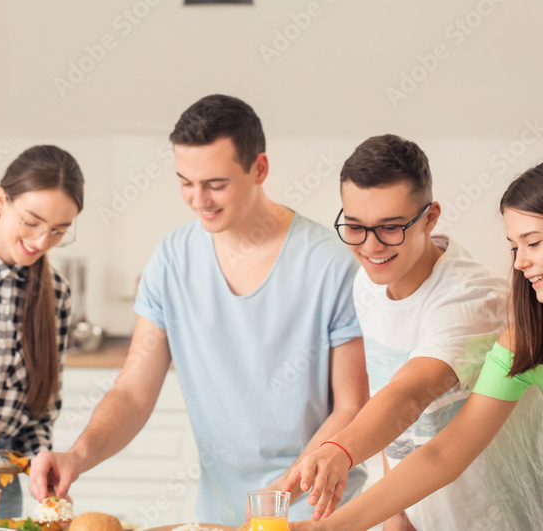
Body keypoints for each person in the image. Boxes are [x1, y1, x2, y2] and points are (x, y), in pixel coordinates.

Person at [30, 95, 370, 525]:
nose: (198, 199)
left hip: (317, 514)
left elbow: (351, 408)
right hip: (219, 517)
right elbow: (134, 390)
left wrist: (277, 501)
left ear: (259, 169)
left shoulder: (329, 264)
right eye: (185, 182)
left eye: (215, 183)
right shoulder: (172, 261)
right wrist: (78, 455)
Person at [282, 136, 543, 529]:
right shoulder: (523, 342)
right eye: (513, 247)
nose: (521, 262)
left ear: (430, 217)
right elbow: (441, 452)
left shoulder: (474, 301)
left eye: (534, 243)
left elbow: (412, 391)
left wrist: (340, 449)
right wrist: (355, 521)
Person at [0, 145, 83, 517]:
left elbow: (41, 409)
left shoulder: (55, 292)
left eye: (58, 231)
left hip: (3, 473)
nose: (42, 242)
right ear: (1, 200)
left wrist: (40, 460)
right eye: (32, 221)